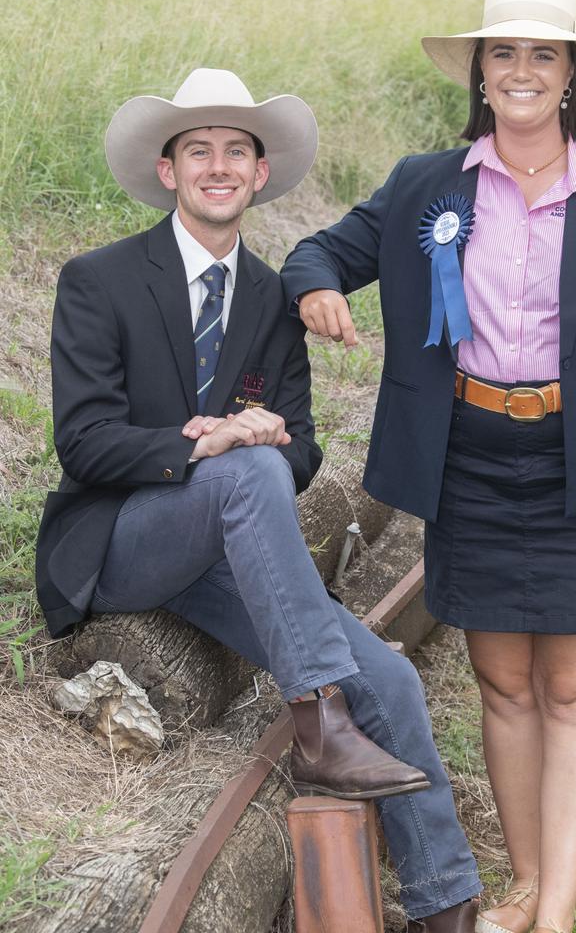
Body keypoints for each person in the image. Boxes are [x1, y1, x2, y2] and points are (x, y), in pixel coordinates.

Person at [281, 0, 576, 933]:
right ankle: (522, 884)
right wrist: (316, 291)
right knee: (504, 685)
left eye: (541, 54)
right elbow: (318, 252)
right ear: (479, 73)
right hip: (469, 463)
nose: (520, 70)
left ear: (570, 77)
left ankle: (555, 912)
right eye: (502, 53)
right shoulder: (428, 184)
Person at [35, 68, 483, 930]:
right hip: (124, 539)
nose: (216, 165)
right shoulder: (99, 280)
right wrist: (211, 438)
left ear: (258, 173)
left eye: (234, 151)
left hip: (230, 544)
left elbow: (305, 448)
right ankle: (319, 724)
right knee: (240, 467)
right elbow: (84, 443)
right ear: (167, 171)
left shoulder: (277, 301)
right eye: (197, 149)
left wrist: (272, 434)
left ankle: (445, 900)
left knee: (388, 673)